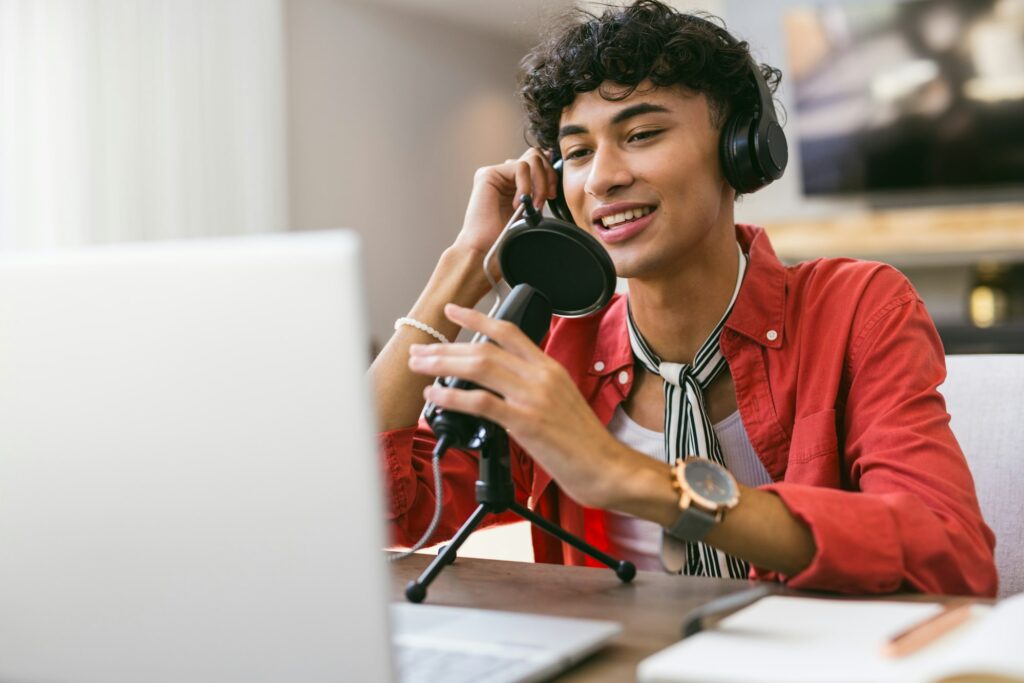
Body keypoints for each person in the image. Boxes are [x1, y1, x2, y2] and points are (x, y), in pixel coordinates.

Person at [370, 0, 997, 596]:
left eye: (641, 134)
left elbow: (950, 556)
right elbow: (386, 511)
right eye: (578, 152)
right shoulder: (560, 345)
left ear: (740, 151)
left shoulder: (856, 308)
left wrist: (638, 480)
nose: (604, 178)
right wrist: (463, 265)